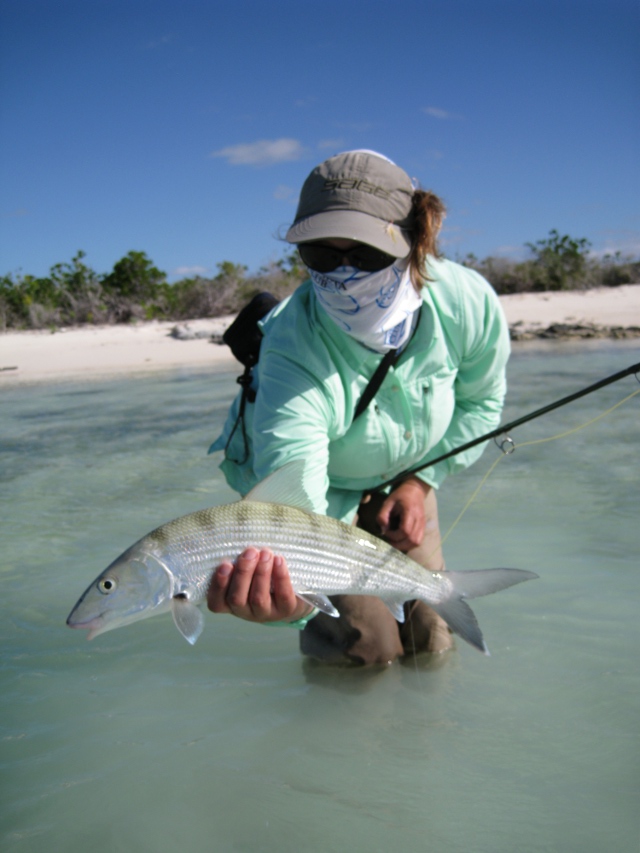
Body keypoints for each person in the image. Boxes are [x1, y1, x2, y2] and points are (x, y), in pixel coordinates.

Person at [207, 149, 510, 665]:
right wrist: (294, 604)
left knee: (433, 634)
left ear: (415, 243)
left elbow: (482, 406)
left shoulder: (467, 304)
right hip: (316, 502)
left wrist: (421, 483)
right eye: (323, 254)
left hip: (410, 470)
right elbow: (293, 502)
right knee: (364, 650)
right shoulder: (291, 348)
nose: (344, 273)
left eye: (366, 253)